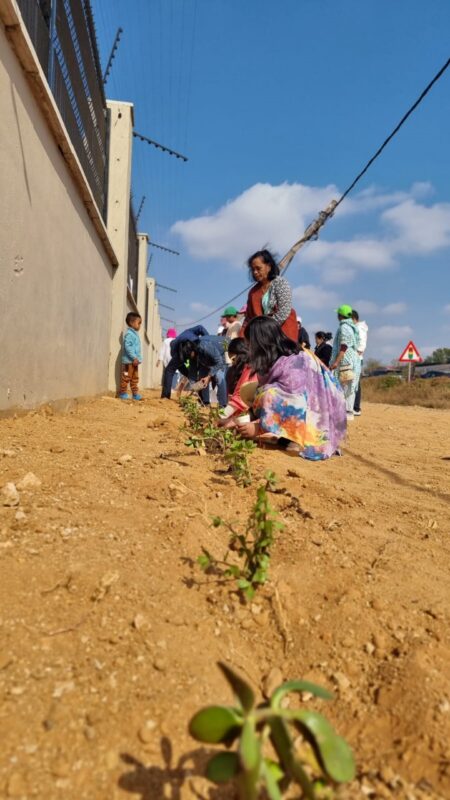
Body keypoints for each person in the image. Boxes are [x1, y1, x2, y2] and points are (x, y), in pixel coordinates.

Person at [238, 317, 346, 460]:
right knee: (254, 391)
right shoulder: (275, 358)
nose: (249, 347)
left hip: (319, 413)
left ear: (261, 342)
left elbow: (296, 402)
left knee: (268, 395)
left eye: (250, 343)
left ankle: (297, 436)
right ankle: (287, 435)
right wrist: (236, 421)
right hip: (301, 404)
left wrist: (258, 429)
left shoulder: (294, 361)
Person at [241, 249, 298, 342]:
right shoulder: (253, 292)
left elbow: (284, 311)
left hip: (283, 334)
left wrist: (264, 330)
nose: (255, 272)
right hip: (263, 339)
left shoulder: (280, 283)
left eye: (258, 268)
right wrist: (241, 337)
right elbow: (249, 319)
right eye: (253, 269)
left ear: (269, 267)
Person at [178, 335, 229, 407]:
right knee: (202, 376)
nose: (188, 357)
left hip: (220, 356)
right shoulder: (192, 353)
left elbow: (219, 362)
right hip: (206, 357)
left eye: (189, 355)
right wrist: (192, 387)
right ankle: (205, 402)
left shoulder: (205, 346)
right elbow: (192, 372)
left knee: (219, 377)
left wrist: (209, 376)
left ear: (192, 350)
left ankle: (223, 405)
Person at [330, 305, 361, 422]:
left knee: (346, 386)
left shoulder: (345, 328)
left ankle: (347, 412)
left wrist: (336, 362)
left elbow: (344, 346)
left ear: (340, 315)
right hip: (350, 360)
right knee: (348, 386)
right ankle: (347, 411)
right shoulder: (351, 327)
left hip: (346, 360)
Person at [161, 325, 209, 400]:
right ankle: (203, 398)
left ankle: (165, 396)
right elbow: (200, 327)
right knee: (193, 375)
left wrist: (186, 373)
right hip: (197, 348)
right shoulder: (188, 331)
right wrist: (207, 339)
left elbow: (178, 365)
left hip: (186, 349)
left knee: (169, 370)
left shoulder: (174, 347)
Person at [218, 338, 258, 426]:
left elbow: (239, 399)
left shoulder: (250, 369)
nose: (233, 363)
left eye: (233, 359)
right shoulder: (249, 367)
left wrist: (221, 416)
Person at [119, 312, 143, 400]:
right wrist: (134, 357)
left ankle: (135, 394)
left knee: (135, 378)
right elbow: (128, 347)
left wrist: (137, 359)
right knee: (126, 376)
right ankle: (122, 392)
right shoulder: (129, 334)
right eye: (139, 323)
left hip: (134, 362)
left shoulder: (134, 334)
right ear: (131, 323)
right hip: (128, 362)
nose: (140, 325)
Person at [351, 309, 368, 416]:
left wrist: (353, 357)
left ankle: (356, 408)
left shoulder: (360, 329)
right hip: (353, 358)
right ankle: (352, 406)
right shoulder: (356, 328)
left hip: (356, 359)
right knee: (352, 383)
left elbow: (361, 346)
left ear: (353, 319)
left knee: (355, 383)